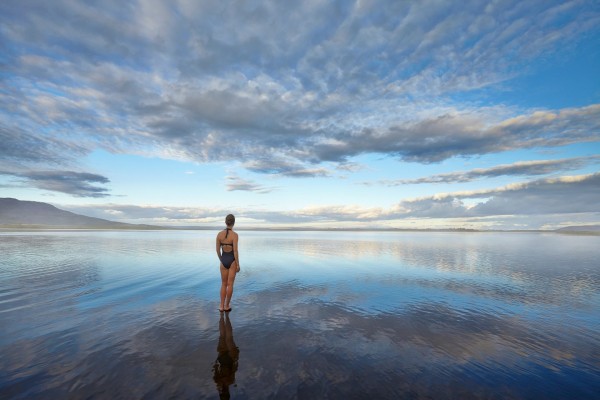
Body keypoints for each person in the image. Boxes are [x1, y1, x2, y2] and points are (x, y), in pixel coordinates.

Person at [212, 312, 239, 399]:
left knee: (225, 337)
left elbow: (216, 368)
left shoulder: (225, 381)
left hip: (226, 357)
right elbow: (215, 367)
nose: (224, 390)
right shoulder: (222, 381)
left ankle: (224, 317)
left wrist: (236, 357)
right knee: (224, 337)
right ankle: (224, 317)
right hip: (225, 357)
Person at [216, 214, 240, 312]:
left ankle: (221, 306)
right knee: (230, 285)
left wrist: (221, 259)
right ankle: (227, 306)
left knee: (223, 284)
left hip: (223, 260)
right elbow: (235, 251)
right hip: (232, 261)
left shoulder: (219, 234)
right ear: (233, 223)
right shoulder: (235, 235)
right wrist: (237, 264)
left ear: (226, 222)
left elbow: (217, 250)